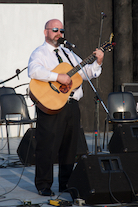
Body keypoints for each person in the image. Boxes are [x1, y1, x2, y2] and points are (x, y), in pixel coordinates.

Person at [28, 18, 104, 196]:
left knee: (70, 147)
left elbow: (87, 73)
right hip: (51, 104)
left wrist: (98, 62)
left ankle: (66, 183)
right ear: (46, 32)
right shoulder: (40, 52)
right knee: (47, 146)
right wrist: (57, 77)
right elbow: (34, 71)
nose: (58, 34)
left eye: (61, 31)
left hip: (72, 105)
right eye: (54, 30)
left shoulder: (69, 54)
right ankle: (44, 185)